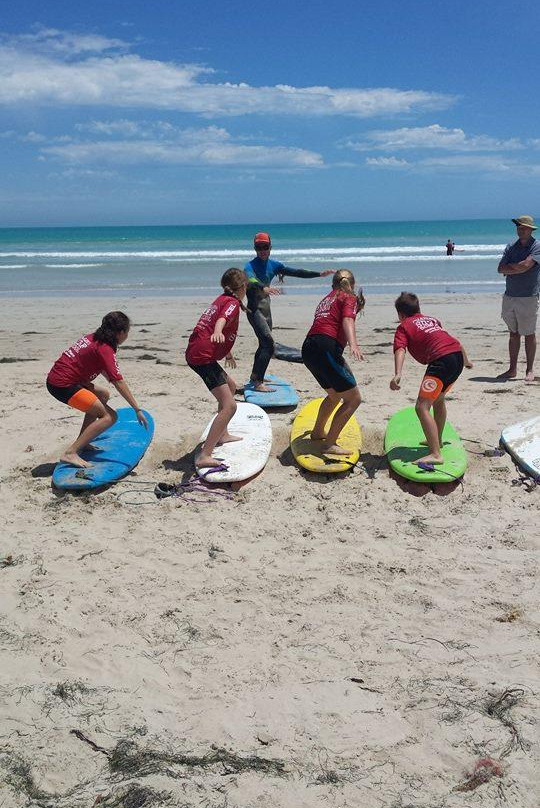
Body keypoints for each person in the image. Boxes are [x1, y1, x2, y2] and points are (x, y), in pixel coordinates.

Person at [46, 311, 148, 469]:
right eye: (127, 332)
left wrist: (109, 375)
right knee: (109, 417)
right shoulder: (105, 348)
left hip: (62, 379)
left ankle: (83, 441)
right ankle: (70, 453)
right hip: (63, 385)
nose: (127, 335)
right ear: (120, 333)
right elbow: (118, 381)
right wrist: (137, 409)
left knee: (103, 394)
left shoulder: (94, 338)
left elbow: (95, 362)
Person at [244, 232, 334, 392]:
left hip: (266, 308)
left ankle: (255, 376)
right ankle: (257, 382)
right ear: (255, 248)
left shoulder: (274, 265)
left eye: (265, 247)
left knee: (264, 344)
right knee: (268, 343)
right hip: (254, 309)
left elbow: (297, 272)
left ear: (270, 247)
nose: (262, 250)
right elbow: (251, 280)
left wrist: (319, 274)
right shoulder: (249, 266)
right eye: (259, 247)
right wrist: (263, 287)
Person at [389, 292, 473, 466]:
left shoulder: (404, 326)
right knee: (439, 399)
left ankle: (436, 454)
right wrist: (466, 361)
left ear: (400, 314)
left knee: (421, 407)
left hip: (441, 362)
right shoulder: (432, 320)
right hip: (456, 358)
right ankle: (438, 440)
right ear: (418, 308)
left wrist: (398, 373)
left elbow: (400, 349)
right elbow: (452, 340)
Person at [185, 268, 247, 469]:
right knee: (230, 405)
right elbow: (221, 321)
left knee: (231, 386)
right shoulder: (232, 303)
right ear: (242, 287)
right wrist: (219, 332)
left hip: (200, 352)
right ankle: (205, 455)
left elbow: (214, 320)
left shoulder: (221, 299)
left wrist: (227, 352)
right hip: (202, 357)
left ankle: (223, 434)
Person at [301, 269, 365, 455]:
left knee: (335, 395)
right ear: (351, 284)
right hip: (325, 347)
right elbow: (347, 320)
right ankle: (329, 444)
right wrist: (353, 344)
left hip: (309, 348)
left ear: (332, 285)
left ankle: (318, 432)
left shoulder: (326, 299)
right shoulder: (348, 296)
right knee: (354, 398)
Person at [497, 215, 540, 383]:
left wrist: (513, 267)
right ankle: (512, 369)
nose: (520, 230)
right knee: (513, 334)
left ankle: (529, 370)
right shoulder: (511, 247)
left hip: (528, 296)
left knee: (529, 334)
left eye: (523, 227)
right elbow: (500, 268)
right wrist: (518, 267)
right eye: (518, 227)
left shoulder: (537, 246)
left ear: (530, 229)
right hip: (510, 295)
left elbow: (526, 267)